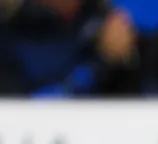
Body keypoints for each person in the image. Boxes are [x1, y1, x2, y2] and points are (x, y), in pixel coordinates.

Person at [0, 0, 142, 97]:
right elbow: (31, 107)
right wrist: (101, 62)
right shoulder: (12, 30)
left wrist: (120, 58)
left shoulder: (103, 20)